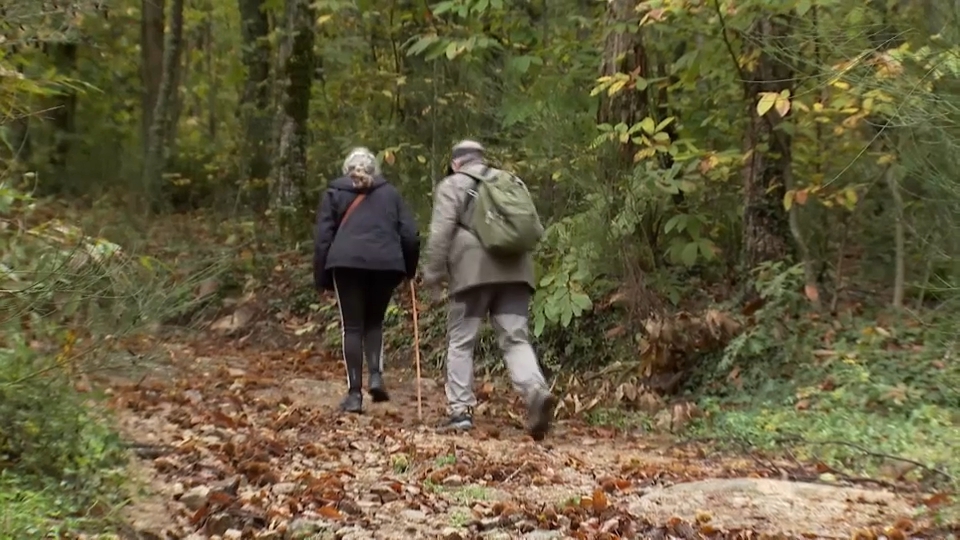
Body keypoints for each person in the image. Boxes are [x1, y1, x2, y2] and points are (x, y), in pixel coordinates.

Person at [422, 140, 558, 440]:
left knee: (461, 341)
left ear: (456, 163)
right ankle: (535, 390)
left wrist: (433, 274)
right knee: (515, 339)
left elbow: (441, 232)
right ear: (482, 159)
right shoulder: (509, 181)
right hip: (516, 271)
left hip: (473, 273)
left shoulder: (452, 185)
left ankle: (460, 412)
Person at [313, 147, 420, 413]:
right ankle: (375, 374)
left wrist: (322, 278)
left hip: (346, 264)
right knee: (374, 322)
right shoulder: (391, 194)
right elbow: (410, 235)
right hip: (386, 265)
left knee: (352, 327)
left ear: (346, 170)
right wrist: (409, 270)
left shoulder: (335, 193)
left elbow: (323, 238)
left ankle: (354, 395)